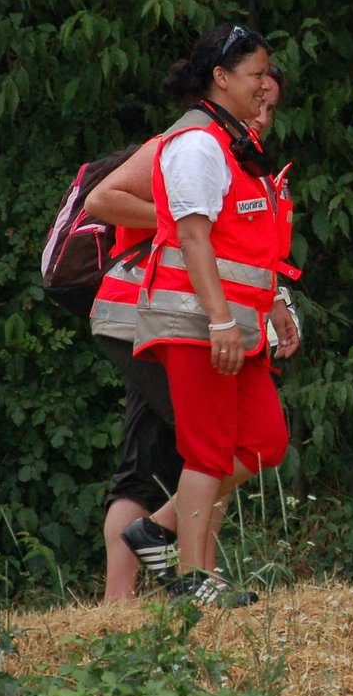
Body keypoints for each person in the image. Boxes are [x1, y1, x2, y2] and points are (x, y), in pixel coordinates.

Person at [86, 61, 295, 601]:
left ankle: (162, 551)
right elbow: (101, 200)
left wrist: (272, 303)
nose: (265, 111)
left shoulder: (243, 159)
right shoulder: (191, 144)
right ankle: (176, 583)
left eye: (273, 103)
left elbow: (244, 256)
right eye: (259, 93)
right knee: (203, 449)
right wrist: (184, 219)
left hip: (200, 316)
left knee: (235, 444)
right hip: (158, 313)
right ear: (226, 81)